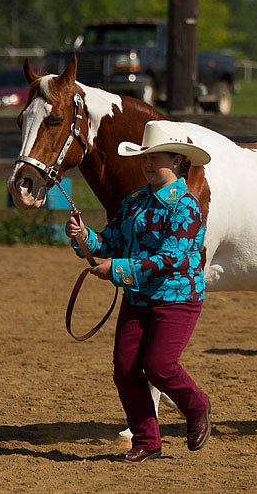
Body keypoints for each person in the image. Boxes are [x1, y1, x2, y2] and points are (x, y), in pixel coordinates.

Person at [65, 119, 212, 464]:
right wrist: (85, 237)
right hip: (138, 298)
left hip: (177, 299)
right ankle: (147, 440)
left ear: (177, 161)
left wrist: (115, 269)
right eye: (144, 157)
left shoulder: (186, 207)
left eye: (155, 157)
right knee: (125, 367)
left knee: (160, 366)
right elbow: (111, 240)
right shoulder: (133, 202)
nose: (146, 164)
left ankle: (197, 405)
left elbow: (170, 259)